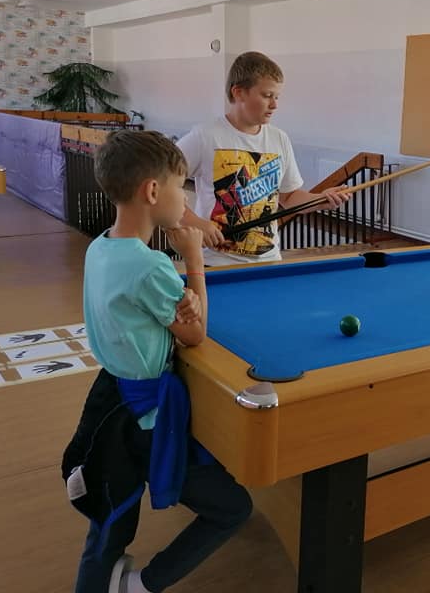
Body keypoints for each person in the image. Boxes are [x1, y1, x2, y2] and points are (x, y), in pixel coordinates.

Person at [62, 130, 253, 593]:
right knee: (232, 508)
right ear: (152, 191)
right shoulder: (151, 267)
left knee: (113, 516)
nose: (183, 199)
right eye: (179, 188)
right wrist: (194, 261)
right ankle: (143, 585)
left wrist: (181, 297)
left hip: (110, 401)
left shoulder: (100, 246)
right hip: (148, 420)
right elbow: (195, 333)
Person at [177, 51, 350, 266]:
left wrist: (321, 199)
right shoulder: (204, 136)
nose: (274, 105)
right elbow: (162, 186)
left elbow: (289, 197)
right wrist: (195, 222)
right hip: (216, 262)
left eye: (276, 97)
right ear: (239, 93)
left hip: (269, 260)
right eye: (267, 95)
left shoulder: (279, 139)